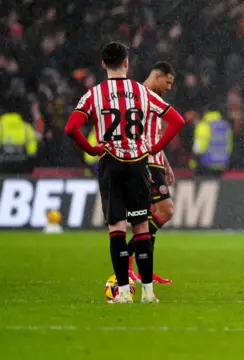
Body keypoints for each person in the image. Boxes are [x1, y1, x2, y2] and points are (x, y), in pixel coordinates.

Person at [64, 41, 185, 303]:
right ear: (127, 63)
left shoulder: (94, 93)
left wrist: (93, 149)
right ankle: (148, 292)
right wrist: (156, 147)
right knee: (141, 226)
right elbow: (177, 120)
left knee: (116, 227)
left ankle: (122, 292)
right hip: (139, 161)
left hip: (111, 163)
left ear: (103, 64)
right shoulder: (141, 92)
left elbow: (70, 128)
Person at [125, 62, 177, 284]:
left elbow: (151, 134)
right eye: (167, 82)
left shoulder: (154, 100)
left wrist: (165, 162)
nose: (169, 87)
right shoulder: (139, 96)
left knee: (150, 214)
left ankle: (146, 269)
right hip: (145, 162)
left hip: (155, 161)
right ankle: (126, 258)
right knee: (166, 212)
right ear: (157, 76)